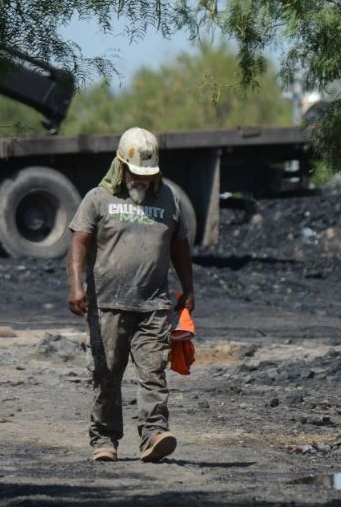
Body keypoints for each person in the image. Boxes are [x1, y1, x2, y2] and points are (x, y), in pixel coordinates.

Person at [67, 126, 195, 463]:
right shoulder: (98, 198)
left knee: (153, 372)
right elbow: (78, 242)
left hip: (154, 304)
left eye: (147, 174)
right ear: (121, 166)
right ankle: (104, 439)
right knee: (107, 375)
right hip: (108, 304)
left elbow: (179, 246)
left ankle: (154, 434)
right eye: (136, 173)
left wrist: (189, 288)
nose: (141, 180)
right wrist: (76, 287)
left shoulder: (169, 199)